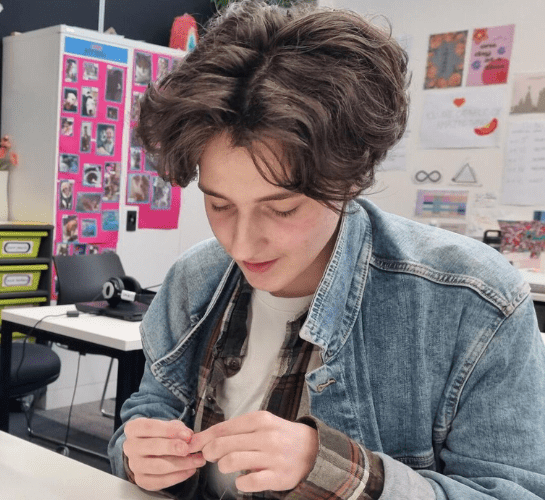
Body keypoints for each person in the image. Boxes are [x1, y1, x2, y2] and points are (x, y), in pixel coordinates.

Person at [110, 2, 545, 499]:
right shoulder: (195, 279)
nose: (242, 242)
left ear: (349, 180)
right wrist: (136, 453)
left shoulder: (473, 303)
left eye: (283, 209)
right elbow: (146, 415)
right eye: (219, 204)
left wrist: (339, 471)